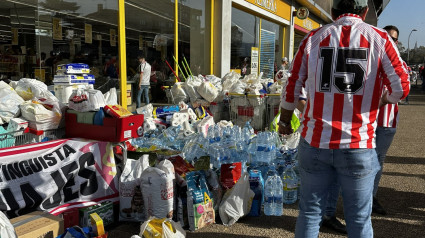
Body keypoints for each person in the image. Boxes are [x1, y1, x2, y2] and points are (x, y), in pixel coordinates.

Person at [279, 0, 410, 237]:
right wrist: (381, 100)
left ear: (332, 11)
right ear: (365, 11)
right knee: (359, 219)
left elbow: (291, 87)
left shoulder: (313, 38)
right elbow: (402, 87)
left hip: (316, 141)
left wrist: (285, 121)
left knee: (309, 213)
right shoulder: (379, 38)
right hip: (358, 143)